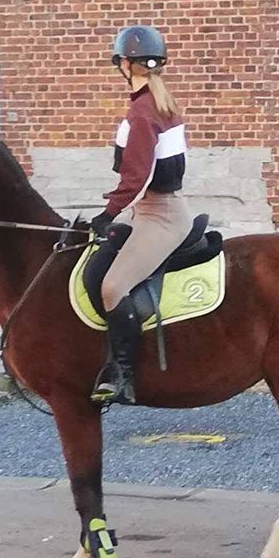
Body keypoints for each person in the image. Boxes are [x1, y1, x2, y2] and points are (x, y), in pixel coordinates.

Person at [88, 24, 193, 407]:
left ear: (125, 64)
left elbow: (137, 177)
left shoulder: (142, 113)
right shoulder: (156, 104)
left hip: (159, 216)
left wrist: (108, 213)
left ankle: (123, 375)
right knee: (92, 262)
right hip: (147, 209)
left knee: (112, 287)